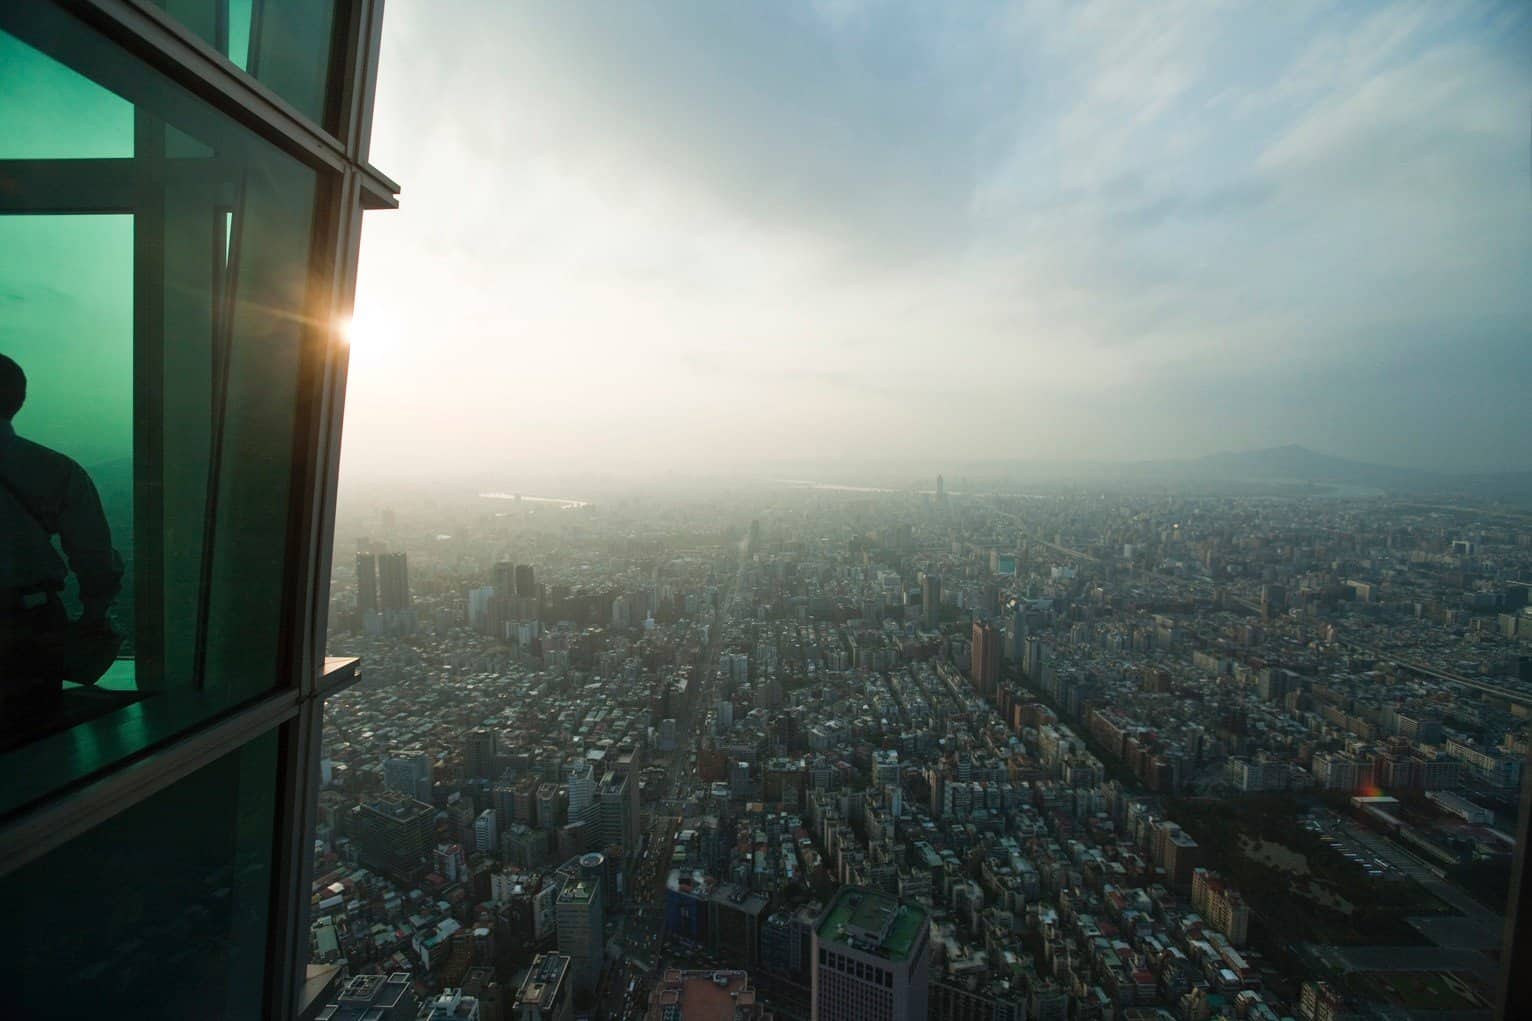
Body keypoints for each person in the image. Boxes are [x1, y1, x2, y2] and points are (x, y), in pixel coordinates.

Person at [0, 353, 124, 735]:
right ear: (18, 401)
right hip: (26, 626)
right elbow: (95, 559)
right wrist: (93, 616)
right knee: (33, 743)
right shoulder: (56, 471)